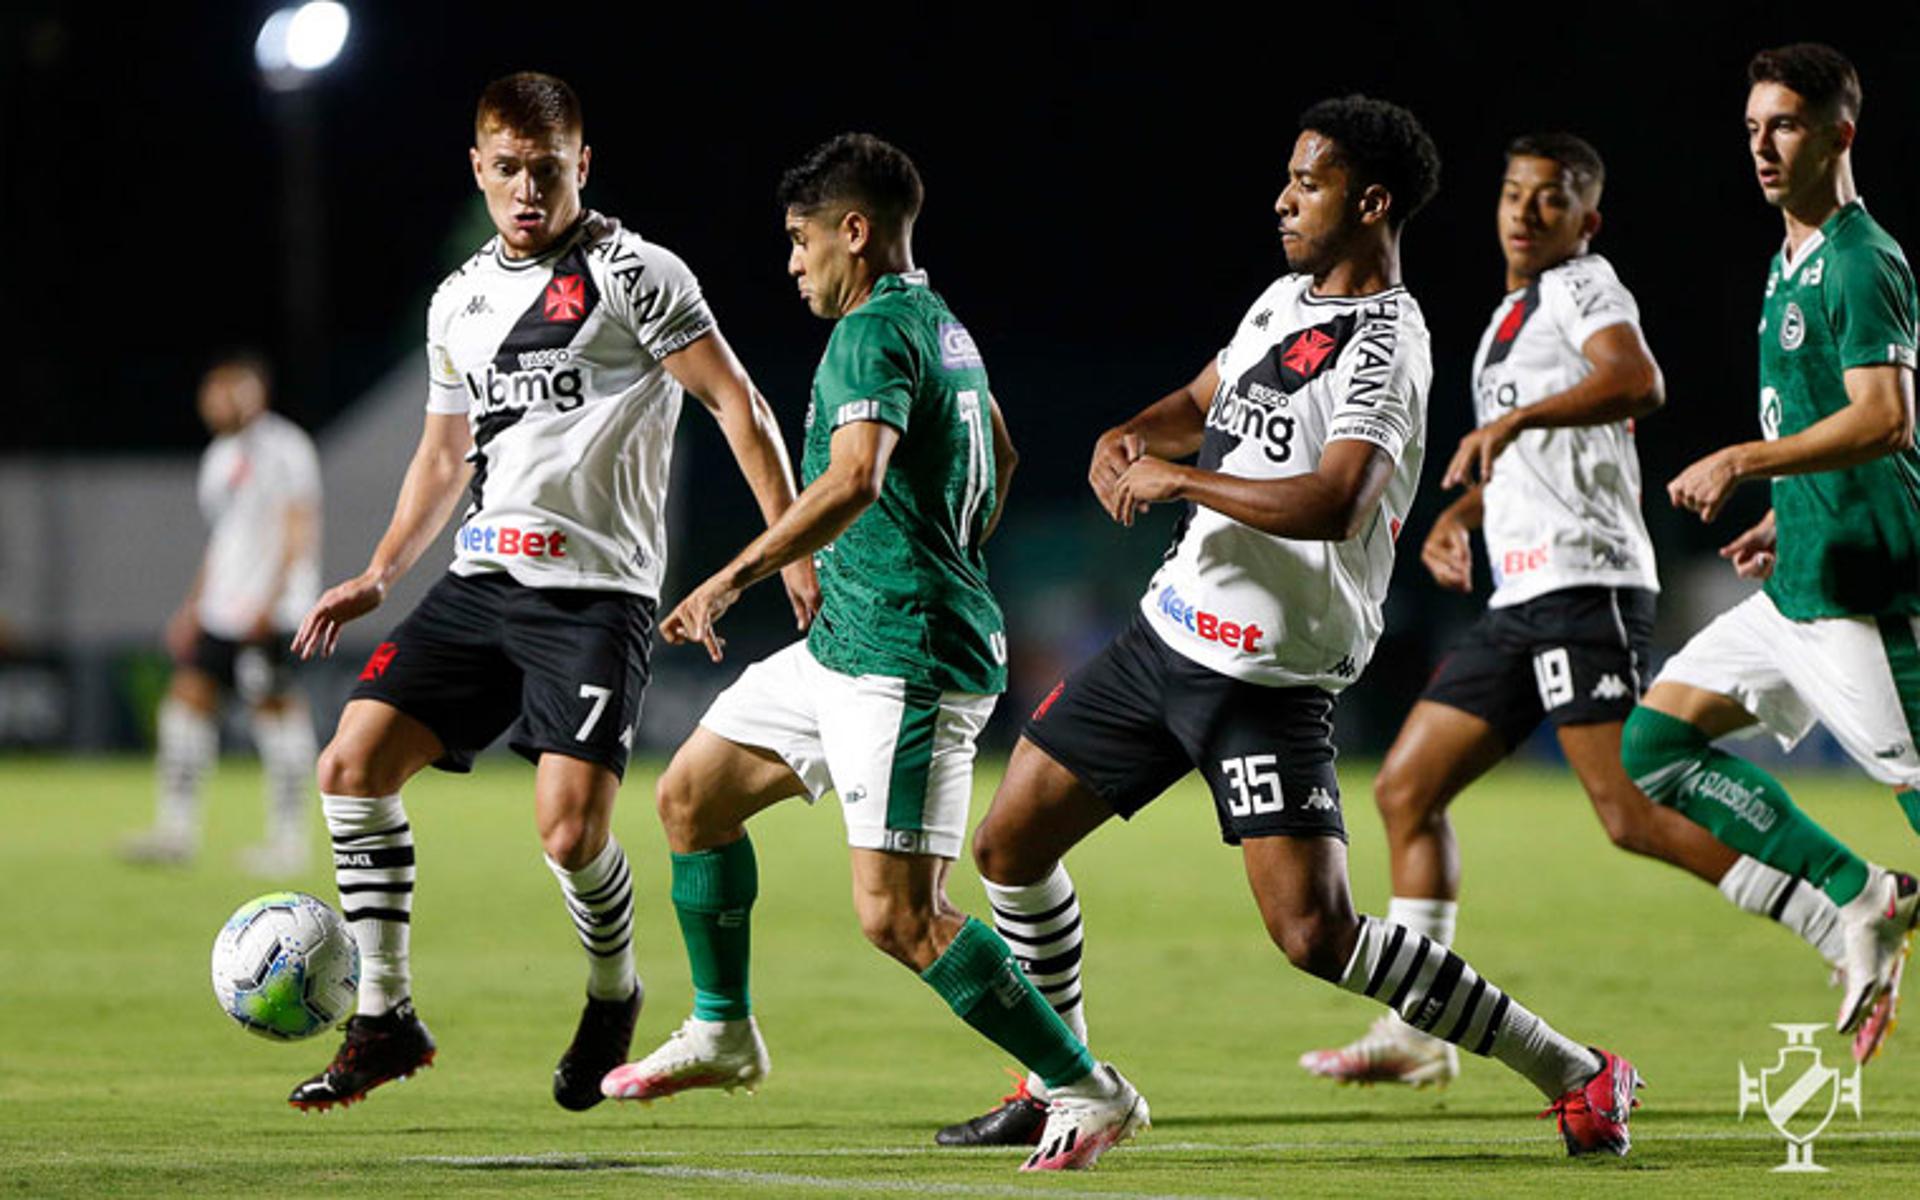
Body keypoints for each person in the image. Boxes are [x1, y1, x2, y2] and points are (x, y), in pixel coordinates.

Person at [937, 96, 1641, 1160]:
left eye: (1307, 184)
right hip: (1161, 640)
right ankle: (1063, 1080)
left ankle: (1577, 1069)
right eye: (1288, 178)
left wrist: (1180, 477)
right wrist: (1131, 433)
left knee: (1315, 936)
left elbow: (1339, 501)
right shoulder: (1280, 301)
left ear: (1370, 202)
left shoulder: (1388, 346)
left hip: (1267, 677)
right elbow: (1196, 397)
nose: (1283, 199)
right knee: (1007, 845)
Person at [598, 132, 1143, 1173]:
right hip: (852, 639)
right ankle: (722, 1031)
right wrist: (936, 539)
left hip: (905, 654)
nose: (792, 263)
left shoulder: (870, 332)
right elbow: (1004, 454)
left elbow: (854, 478)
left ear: (856, 232)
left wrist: (730, 577)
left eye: (802, 242)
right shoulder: (943, 329)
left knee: (900, 916)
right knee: (692, 801)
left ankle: (1086, 1088)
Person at [282, 71, 816, 1113]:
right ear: (478, 169)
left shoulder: (638, 273)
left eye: (548, 168)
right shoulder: (459, 301)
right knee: (349, 765)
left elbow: (737, 405)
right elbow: (443, 457)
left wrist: (791, 546)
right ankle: (384, 1019)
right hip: (480, 579)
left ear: (583, 164)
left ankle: (614, 993)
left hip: (595, 594)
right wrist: (382, 572)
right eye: (508, 169)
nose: (528, 189)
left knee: (570, 835)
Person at [1298, 132, 1850, 1089]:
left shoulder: (1583, 285)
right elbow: (1542, 454)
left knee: (1628, 810)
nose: (1524, 211)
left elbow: (1639, 379)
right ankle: (1417, 1029)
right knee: (1405, 790)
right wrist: (1466, 511)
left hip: (1585, 583)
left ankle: (1832, 919)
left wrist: (1508, 422)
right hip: (1523, 594)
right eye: (1514, 193)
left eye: (1551, 199)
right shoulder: (1510, 316)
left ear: (1585, 222)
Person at [1622, 43, 1920, 1066]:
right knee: (1654, 747)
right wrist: (1786, 511)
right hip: (1799, 580)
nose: (1761, 144)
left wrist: (1747, 460)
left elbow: (1885, 421)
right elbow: (1831, 425)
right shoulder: (1789, 256)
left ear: (1839, 132)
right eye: (1752, 127)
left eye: (1783, 124)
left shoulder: (1859, 259)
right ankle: (1858, 892)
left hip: (1867, 599)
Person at [123, 353, 322, 876]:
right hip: (223, 608)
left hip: (271, 611)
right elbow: (224, 538)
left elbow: (300, 526)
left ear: (253, 393)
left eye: (226, 392)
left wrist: (274, 600)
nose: (215, 403)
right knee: (185, 705)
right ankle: (176, 831)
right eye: (211, 393)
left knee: (274, 714)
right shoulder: (219, 456)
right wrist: (193, 606)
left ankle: (289, 842)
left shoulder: (284, 447)